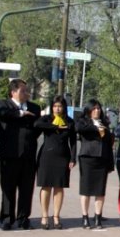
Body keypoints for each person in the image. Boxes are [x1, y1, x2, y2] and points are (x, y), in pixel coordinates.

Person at [0, 79, 40, 230]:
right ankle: (7, 218)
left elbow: (37, 128)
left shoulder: (35, 107)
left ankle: (23, 218)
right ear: (13, 92)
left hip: (28, 155)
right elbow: (2, 114)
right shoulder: (3, 104)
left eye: (27, 91)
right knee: (8, 187)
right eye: (23, 91)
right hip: (10, 154)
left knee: (26, 189)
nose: (26, 93)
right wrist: (21, 113)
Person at [34, 96, 77, 230]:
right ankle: (44, 216)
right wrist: (54, 125)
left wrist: (72, 158)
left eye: (60, 106)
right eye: (55, 106)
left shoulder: (69, 122)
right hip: (47, 156)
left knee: (59, 187)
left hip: (62, 157)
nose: (57, 109)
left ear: (64, 107)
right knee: (46, 186)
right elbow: (36, 124)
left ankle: (56, 216)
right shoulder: (47, 119)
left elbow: (73, 142)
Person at [76, 99, 114, 229]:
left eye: (98, 108)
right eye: (94, 108)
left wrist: (110, 163)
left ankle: (98, 217)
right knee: (86, 189)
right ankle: (85, 217)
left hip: (102, 159)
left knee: (100, 190)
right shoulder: (84, 122)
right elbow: (79, 128)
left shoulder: (105, 123)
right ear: (88, 110)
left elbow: (109, 143)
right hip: (88, 158)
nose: (97, 111)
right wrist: (95, 126)